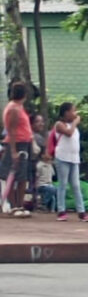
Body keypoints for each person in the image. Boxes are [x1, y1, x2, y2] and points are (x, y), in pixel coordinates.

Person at [53, 102, 88, 222]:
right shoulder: (59, 124)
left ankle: (81, 211)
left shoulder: (74, 126)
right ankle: (61, 210)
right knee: (63, 184)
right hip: (62, 157)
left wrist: (74, 123)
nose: (75, 113)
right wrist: (75, 122)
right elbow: (68, 133)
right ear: (66, 112)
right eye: (73, 111)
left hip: (74, 158)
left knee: (76, 185)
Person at [0, 82, 33, 216]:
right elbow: (12, 130)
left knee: (22, 176)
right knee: (12, 174)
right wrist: (13, 151)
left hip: (23, 143)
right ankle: (14, 205)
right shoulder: (14, 108)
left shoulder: (19, 107)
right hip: (17, 143)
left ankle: (19, 204)